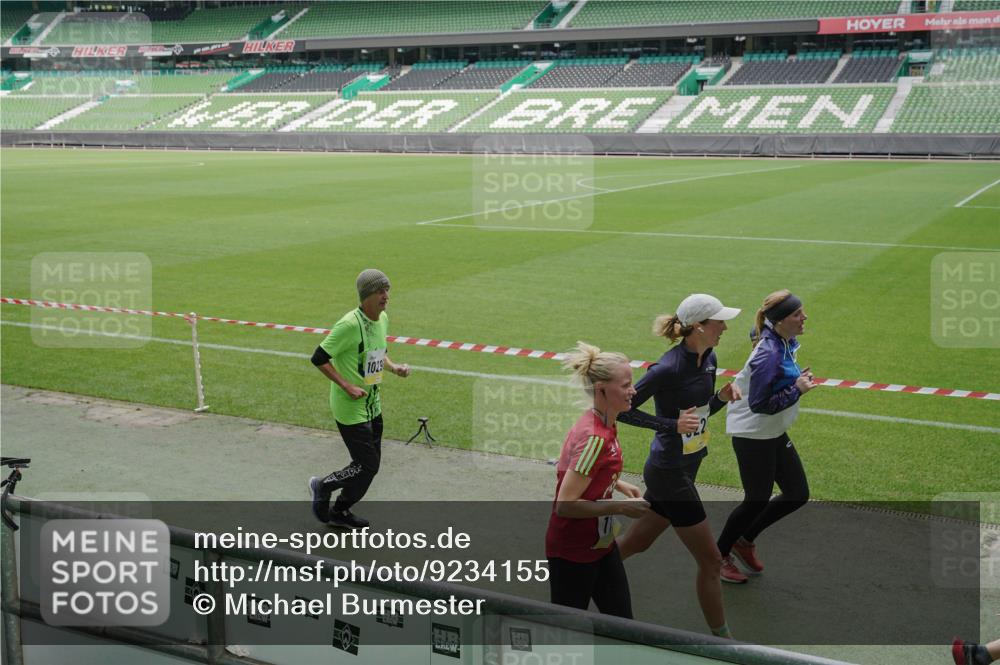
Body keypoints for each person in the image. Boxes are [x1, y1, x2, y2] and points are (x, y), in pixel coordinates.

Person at [615, 294, 743, 638]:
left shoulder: (709, 358)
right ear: (698, 327)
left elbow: (697, 414)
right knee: (712, 561)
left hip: (688, 465)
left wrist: (720, 399)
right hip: (669, 471)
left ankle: (577, 572)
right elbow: (622, 409)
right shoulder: (667, 368)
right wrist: (670, 425)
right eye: (719, 322)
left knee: (635, 544)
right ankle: (724, 642)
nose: (725, 328)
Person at [545, 341, 650, 618]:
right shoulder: (595, 437)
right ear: (602, 389)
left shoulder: (604, 423)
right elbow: (565, 504)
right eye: (626, 385)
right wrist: (621, 507)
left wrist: (617, 483)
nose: (634, 391)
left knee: (623, 623)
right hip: (573, 551)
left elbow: (587, 472)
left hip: (600, 545)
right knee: (566, 632)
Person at [717, 289, 815, 582]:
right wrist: (796, 389)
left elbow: (757, 332)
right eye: (797, 314)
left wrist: (794, 382)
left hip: (772, 431)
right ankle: (718, 556)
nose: (804, 317)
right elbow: (760, 404)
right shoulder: (770, 353)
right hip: (754, 433)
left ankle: (744, 541)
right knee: (756, 499)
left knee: (797, 493)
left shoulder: (781, 341)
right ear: (781, 320)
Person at [308, 268, 410, 528]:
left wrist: (393, 367)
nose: (385, 295)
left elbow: (379, 352)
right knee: (366, 465)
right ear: (366, 295)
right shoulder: (349, 325)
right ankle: (323, 485)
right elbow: (318, 358)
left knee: (370, 467)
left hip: (373, 404)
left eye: (387, 289)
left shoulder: (382, 318)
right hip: (350, 407)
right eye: (380, 291)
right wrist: (346, 386)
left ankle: (340, 512)